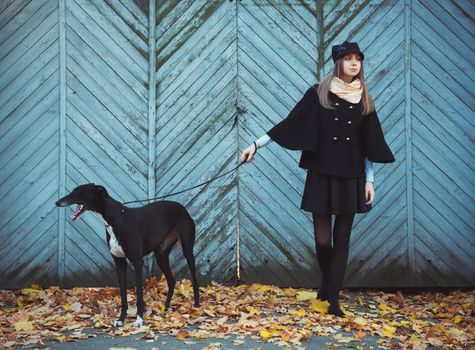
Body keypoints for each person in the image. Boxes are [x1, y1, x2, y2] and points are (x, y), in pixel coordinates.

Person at [240, 41, 395, 317]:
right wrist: (256, 145)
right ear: (338, 63)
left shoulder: (364, 99)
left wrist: (370, 180)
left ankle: (332, 299)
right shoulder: (319, 92)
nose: (354, 63)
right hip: (321, 172)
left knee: (342, 237)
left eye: (357, 58)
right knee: (323, 240)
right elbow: (290, 123)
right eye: (348, 58)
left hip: (351, 175)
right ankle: (328, 283)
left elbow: (370, 143)